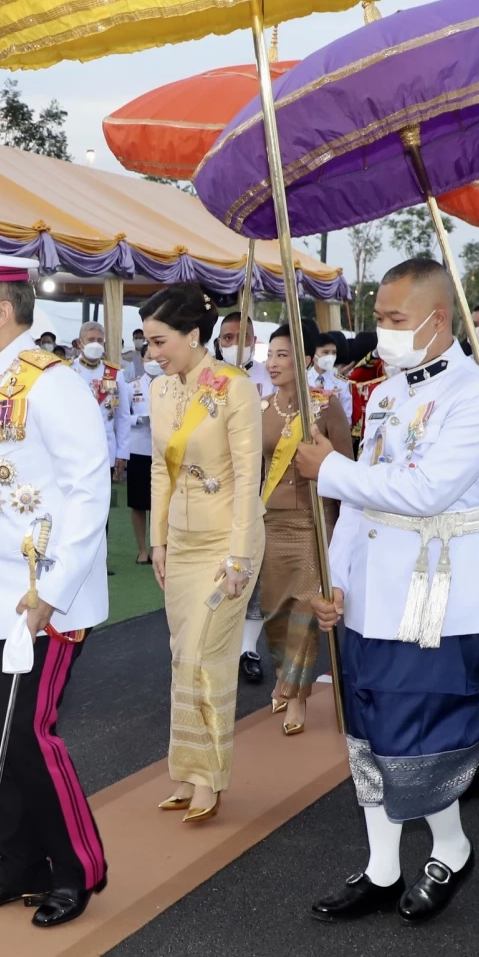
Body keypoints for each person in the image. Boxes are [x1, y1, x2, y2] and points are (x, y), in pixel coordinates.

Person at [296, 258, 479, 924]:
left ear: (434, 320)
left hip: (433, 599)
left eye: (392, 320)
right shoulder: (387, 394)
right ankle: (382, 866)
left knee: (418, 738)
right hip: (368, 596)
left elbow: (425, 493)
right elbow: (359, 506)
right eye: (378, 320)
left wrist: (326, 468)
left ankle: (451, 847)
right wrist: (333, 578)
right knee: (367, 735)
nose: (380, 333)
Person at [0, 241, 110, 929]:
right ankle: (17, 861)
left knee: (33, 734)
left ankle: (75, 869)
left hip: (43, 597)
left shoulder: (52, 381)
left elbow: (87, 487)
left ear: (1, 308)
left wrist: (53, 590)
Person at [146, 284, 263, 824]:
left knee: (203, 656)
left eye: (160, 341)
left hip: (227, 545)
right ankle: (190, 772)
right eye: (148, 344)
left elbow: (247, 479)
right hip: (182, 543)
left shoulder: (233, 388)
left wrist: (240, 556)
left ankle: (211, 779)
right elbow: (158, 469)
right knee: (180, 659)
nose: (153, 354)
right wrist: (158, 541)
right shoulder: (160, 392)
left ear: (194, 335)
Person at [259, 321, 351, 735]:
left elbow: (344, 467)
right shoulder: (260, 407)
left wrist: (339, 526)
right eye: (271, 354)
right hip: (269, 523)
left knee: (304, 608)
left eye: (282, 355)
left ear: (305, 359)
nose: (273, 363)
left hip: (312, 523)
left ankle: (297, 695)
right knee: (274, 609)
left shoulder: (325, 405)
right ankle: (285, 675)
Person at [70, 321, 130, 488]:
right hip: (73, 449)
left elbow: (122, 416)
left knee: (102, 505)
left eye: (99, 340)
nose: (95, 344)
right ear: (80, 342)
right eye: (90, 339)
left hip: (105, 449)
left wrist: (122, 453)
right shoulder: (67, 371)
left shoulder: (115, 374)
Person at [118, 346, 160, 564]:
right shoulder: (130, 385)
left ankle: (157, 547)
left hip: (163, 449)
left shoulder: (172, 383)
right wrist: (139, 420)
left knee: (160, 502)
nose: (153, 361)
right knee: (138, 503)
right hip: (139, 447)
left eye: (156, 357)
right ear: (142, 360)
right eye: (149, 357)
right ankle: (142, 549)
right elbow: (124, 416)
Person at [215, 311, 273, 397]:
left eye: (243, 337)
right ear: (219, 343)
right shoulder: (210, 376)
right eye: (228, 338)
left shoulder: (269, 376)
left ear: (254, 341)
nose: (235, 343)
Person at [310, 335, 354, 416]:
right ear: (313, 354)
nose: (330, 357)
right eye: (325, 352)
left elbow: (346, 415)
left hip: (333, 427)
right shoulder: (302, 379)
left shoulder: (342, 382)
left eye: (334, 353)